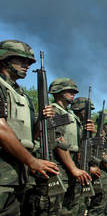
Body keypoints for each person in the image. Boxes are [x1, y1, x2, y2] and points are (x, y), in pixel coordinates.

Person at [0, 39, 59, 215]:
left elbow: (31, 137)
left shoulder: (23, 95)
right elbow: (1, 130)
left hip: (19, 174)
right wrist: (32, 161)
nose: (26, 65)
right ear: (4, 59)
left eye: (29, 62)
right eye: (21, 60)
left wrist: (42, 120)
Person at [48, 78, 92, 216]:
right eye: (69, 90)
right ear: (58, 91)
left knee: (72, 208)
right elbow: (58, 141)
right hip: (60, 166)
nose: (74, 93)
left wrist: (89, 133)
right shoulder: (55, 111)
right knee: (57, 209)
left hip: (71, 164)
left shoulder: (69, 115)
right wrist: (73, 168)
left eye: (74, 91)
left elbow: (78, 144)